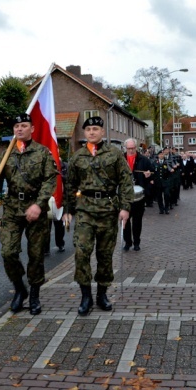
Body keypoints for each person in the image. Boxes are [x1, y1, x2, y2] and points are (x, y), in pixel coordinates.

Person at [0, 113, 58, 316]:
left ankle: (35, 295)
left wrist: (39, 205)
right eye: (16, 126)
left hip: (35, 210)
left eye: (23, 125)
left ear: (32, 129)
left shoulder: (42, 153)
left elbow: (50, 181)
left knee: (36, 255)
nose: (19, 129)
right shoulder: (7, 154)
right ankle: (20, 288)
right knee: (8, 252)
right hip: (12, 208)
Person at [63, 117, 133, 316]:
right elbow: (70, 185)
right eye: (88, 130)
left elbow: (126, 180)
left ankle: (102, 294)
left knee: (104, 255)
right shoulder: (78, 157)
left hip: (108, 210)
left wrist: (125, 207)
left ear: (102, 132)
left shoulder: (115, 154)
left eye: (95, 129)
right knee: (81, 253)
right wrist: (68, 209)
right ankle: (86, 296)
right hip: (85, 210)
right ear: (84, 133)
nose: (92, 132)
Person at [122, 138, 153, 251]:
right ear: (126, 148)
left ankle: (136, 242)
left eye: (133, 148)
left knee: (137, 221)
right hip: (125, 196)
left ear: (136, 147)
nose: (131, 150)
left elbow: (152, 171)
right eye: (129, 148)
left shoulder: (143, 159)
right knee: (125, 220)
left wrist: (148, 174)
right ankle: (127, 242)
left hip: (139, 196)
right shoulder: (121, 159)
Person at [153, 149, 173, 214]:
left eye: (162, 154)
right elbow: (152, 172)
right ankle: (161, 209)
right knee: (159, 196)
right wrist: (152, 180)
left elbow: (170, 173)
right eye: (160, 154)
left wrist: (168, 180)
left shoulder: (167, 162)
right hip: (158, 182)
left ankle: (166, 208)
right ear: (158, 155)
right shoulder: (154, 163)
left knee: (167, 195)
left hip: (165, 182)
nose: (161, 155)